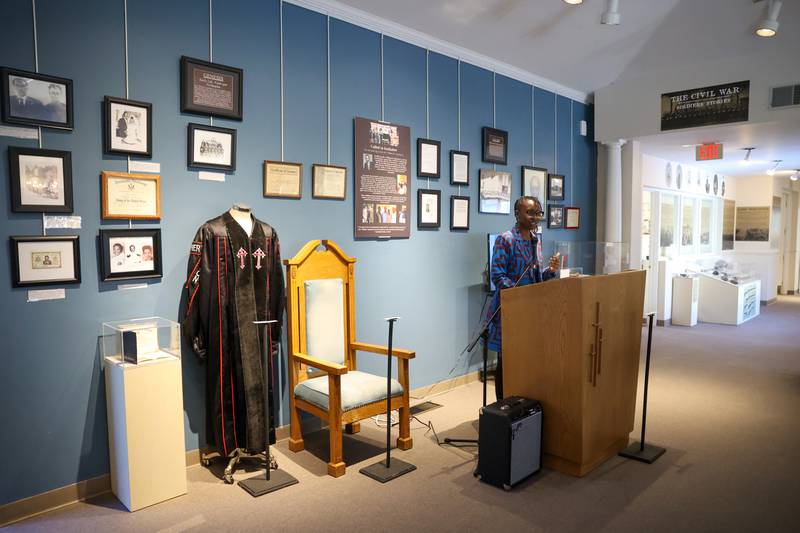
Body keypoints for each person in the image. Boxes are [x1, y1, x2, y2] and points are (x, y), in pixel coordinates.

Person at [487, 196, 560, 400]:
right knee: (507, 361)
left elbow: (535, 278)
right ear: (517, 213)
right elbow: (498, 276)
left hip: (532, 310)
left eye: (538, 213)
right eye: (530, 212)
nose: (535, 217)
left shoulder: (536, 240)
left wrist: (550, 271)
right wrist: (521, 295)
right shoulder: (506, 239)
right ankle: (502, 408)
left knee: (528, 360)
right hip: (511, 310)